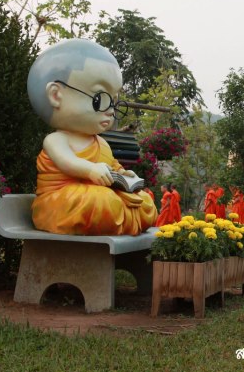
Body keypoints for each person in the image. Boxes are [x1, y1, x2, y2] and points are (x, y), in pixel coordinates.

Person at [26, 38, 157, 235]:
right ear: (56, 95)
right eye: (99, 99)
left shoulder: (101, 142)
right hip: (62, 199)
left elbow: (112, 166)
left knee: (145, 201)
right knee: (102, 201)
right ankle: (117, 218)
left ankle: (122, 217)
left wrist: (124, 174)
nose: (110, 111)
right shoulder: (56, 139)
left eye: (113, 101)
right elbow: (67, 162)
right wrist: (90, 170)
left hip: (97, 193)